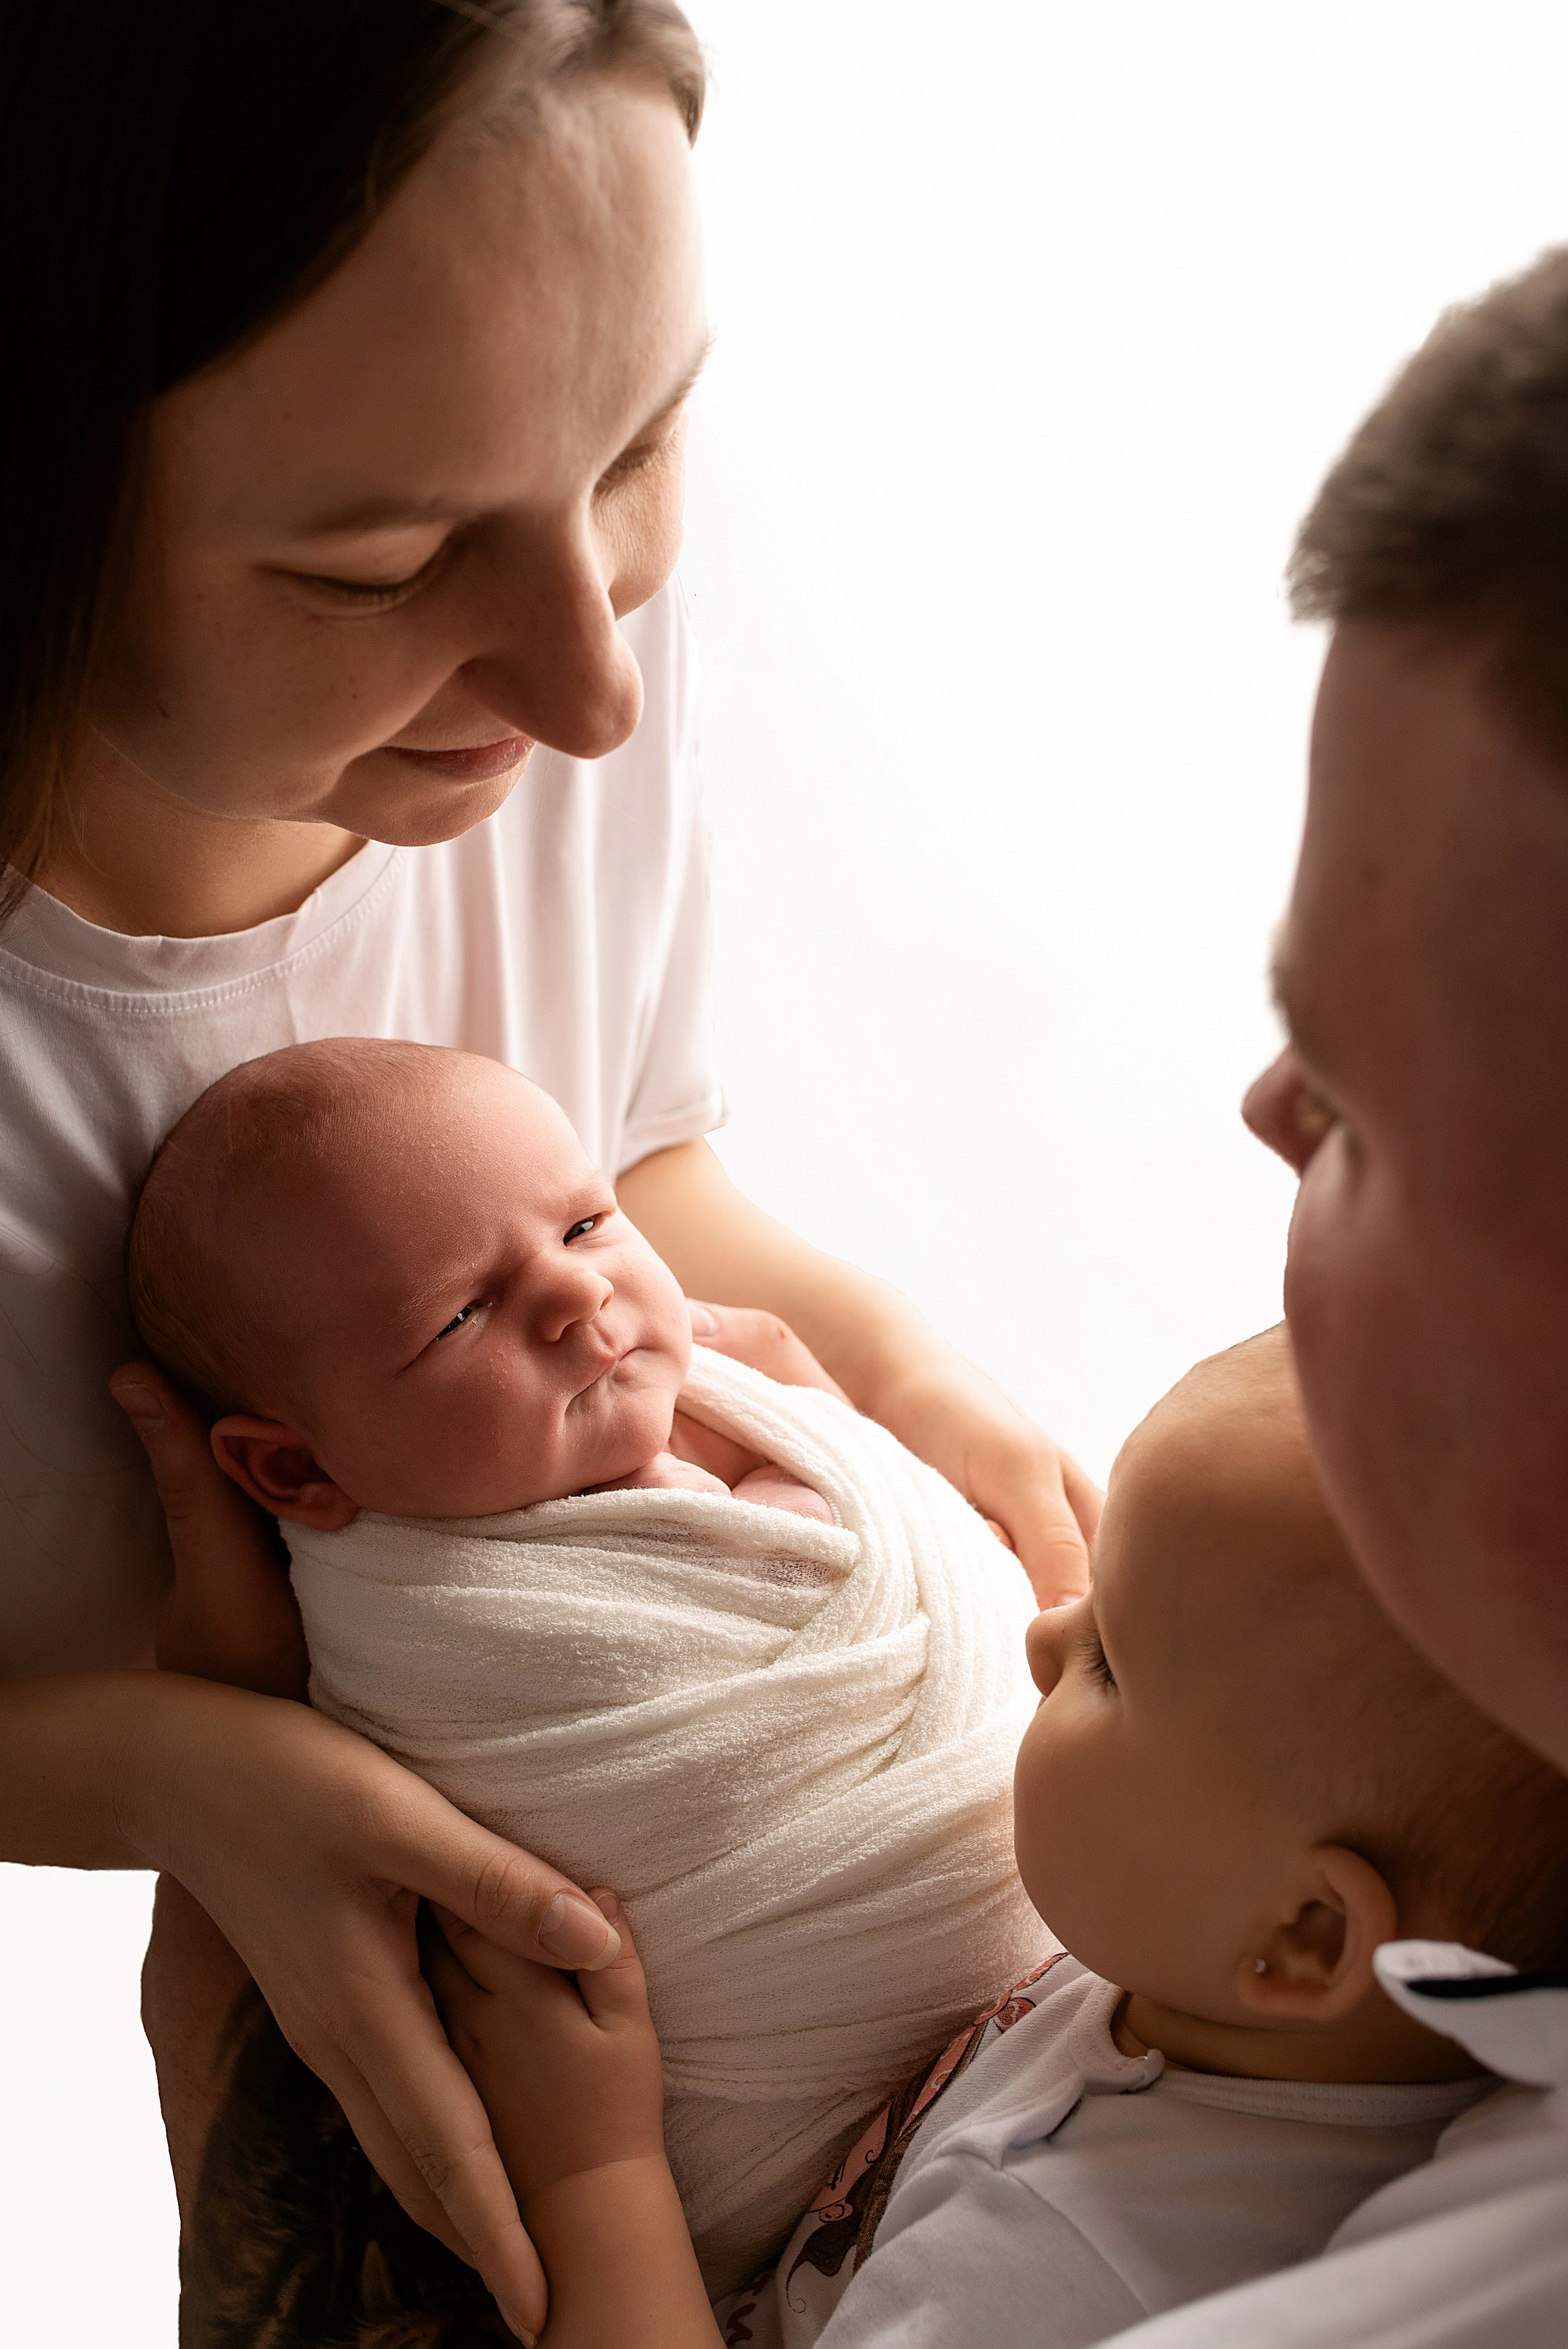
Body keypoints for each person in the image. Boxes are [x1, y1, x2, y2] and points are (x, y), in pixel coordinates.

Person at [0, 7, 1097, 2338]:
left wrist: (898, 1374)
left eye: (645, 436)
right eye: (383, 561)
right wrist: (174, 1770)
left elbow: (626, 1164)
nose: (594, 678)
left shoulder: (535, 617)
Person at [194, 1322, 1568, 2347]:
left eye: (1110, 1665)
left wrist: (593, 2169)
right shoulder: (1229, 1994)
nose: (1038, 1634)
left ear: (1305, 1936)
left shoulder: (1054, 2265)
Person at [124, 1033, 1051, 2294]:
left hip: (1052, 2015)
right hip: (801, 2175)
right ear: (295, 1471)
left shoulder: (758, 1410)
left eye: (584, 1223)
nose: (573, 1298)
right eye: (458, 1315)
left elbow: (980, 1603)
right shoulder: (413, 1631)